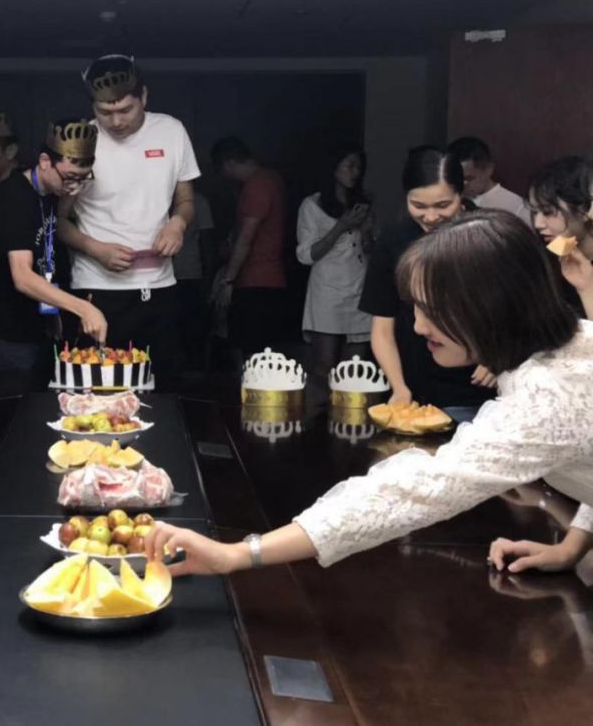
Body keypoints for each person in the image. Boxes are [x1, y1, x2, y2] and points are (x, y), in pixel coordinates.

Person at [146, 211, 593, 578]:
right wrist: (571, 547)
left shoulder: (549, 393)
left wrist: (238, 554)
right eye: (414, 308)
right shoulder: (562, 355)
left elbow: (417, 490)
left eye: (432, 310)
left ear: (489, 307)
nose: (417, 326)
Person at [56, 55, 198, 388]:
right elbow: (58, 221)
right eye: (105, 112)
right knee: (100, 386)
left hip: (159, 286)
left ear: (143, 97)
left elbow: (186, 201)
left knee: (162, 385)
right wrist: (95, 248)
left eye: (125, 110)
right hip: (97, 288)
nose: (116, 121)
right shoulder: (80, 142)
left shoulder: (172, 131)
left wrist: (177, 224)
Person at [359, 146, 495, 418]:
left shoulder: (488, 234)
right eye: (418, 206)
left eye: (443, 205)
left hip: (474, 390)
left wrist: (499, 358)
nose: (430, 217)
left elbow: (520, 311)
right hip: (413, 388)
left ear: (461, 193)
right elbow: (382, 327)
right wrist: (399, 387)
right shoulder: (394, 240)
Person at [0, 116, 109, 396]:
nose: (73, 186)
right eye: (69, 177)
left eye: (83, 178)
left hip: (41, 330)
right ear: (45, 161)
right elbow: (23, 277)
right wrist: (83, 309)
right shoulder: (13, 198)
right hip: (10, 336)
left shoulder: (51, 192)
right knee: (12, 416)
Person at [296, 145, 374, 385]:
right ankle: (321, 406)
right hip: (327, 289)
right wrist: (341, 226)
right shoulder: (312, 204)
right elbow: (306, 255)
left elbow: (370, 250)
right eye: (350, 166)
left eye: (359, 167)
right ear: (334, 167)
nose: (355, 172)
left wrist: (365, 231)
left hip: (359, 285)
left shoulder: (363, 202)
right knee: (324, 366)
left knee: (356, 369)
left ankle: (349, 408)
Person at [211, 136, 287, 360]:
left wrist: (228, 280)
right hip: (270, 277)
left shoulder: (257, 185)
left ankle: (245, 384)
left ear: (228, 164)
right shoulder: (272, 179)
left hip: (255, 279)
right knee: (261, 349)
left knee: (250, 350)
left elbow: (246, 236)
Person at [528, 156, 593, 318]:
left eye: (548, 212)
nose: (538, 224)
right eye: (534, 212)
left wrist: (587, 289)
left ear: (585, 208)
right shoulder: (546, 259)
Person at [172, 191, 215, 372]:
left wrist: (208, 278)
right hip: (160, 276)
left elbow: (207, 242)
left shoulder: (199, 202)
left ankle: (194, 370)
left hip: (190, 272)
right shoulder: (157, 198)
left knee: (192, 326)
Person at [447, 136, 530, 223]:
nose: (462, 184)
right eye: (456, 178)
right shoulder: (450, 202)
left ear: (488, 169)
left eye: (469, 178)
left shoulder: (516, 206)